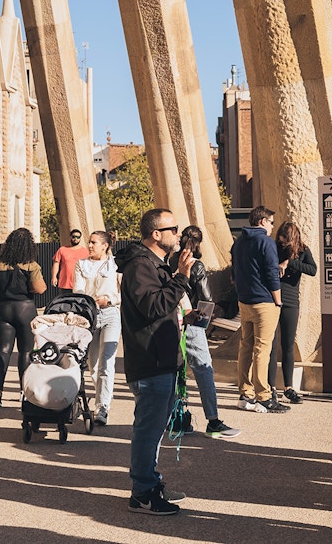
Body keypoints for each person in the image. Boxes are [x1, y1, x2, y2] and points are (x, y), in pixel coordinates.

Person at [115, 208, 195, 515]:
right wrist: (182, 278)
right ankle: (143, 492)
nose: (179, 233)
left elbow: (163, 306)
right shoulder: (140, 265)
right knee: (148, 431)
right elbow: (153, 306)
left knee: (153, 428)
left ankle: (150, 481)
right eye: (172, 228)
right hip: (150, 363)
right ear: (156, 234)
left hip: (161, 360)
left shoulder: (156, 265)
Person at [170, 225, 240, 439]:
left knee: (176, 371)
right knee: (204, 369)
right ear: (199, 243)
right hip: (192, 321)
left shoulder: (170, 261)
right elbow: (206, 298)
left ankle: (176, 418)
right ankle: (213, 420)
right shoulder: (196, 266)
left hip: (171, 321)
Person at [232, 205, 289, 413]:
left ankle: (245, 393)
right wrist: (278, 300)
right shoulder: (265, 241)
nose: (273, 227)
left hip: (245, 301)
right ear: (263, 221)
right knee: (262, 348)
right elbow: (272, 273)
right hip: (264, 302)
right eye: (271, 222)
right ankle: (264, 395)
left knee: (245, 347)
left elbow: (235, 270)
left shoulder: (239, 243)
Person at [0, 228, 47, 407]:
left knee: (2, 351)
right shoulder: (31, 264)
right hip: (24, 308)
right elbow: (40, 288)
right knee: (26, 351)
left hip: (0, 308)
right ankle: (24, 392)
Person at [73, 230, 121, 425]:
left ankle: (102, 407)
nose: (90, 245)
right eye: (89, 242)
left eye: (94, 242)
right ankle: (101, 393)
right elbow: (78, 290)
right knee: (92, 365)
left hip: (111, 314)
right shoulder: (81, 265)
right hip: (89, 316)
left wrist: (108, 299)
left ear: (105, 245)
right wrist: (88, 300)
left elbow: (123, 293)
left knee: (106, 363)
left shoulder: (115, 265)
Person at [268, 222, 317, 404]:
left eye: (285, 242)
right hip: (272, 298)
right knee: (271, 346)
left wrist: (290, 263)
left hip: (290, 300)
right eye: (280, 240)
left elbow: (312, 270)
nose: (282, 244)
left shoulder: (303, 250)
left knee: (288, 345)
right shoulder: (273, 247)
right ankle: (270, 387)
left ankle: (288, 387)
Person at [51, 228, 88, 294]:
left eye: (78, 237)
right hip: (65, 283)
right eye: (74, 236)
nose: (75, 239)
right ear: (70, 237)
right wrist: (54, 277)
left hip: (80, 284)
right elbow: (56, 263)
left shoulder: (85, 251)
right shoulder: (62, 250)